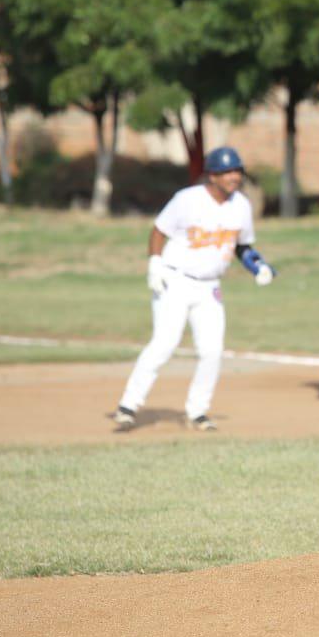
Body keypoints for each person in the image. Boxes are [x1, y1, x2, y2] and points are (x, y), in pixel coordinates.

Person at [111, 147, 275, 432]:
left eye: (237, 171)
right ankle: (128, 405)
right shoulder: (187, 200)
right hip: (175, 280)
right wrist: (155, 264)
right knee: (164, 343)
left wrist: (257, 266)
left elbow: (241, 245)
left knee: (212, 350)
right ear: (212, 176)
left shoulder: (241, 206)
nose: (234, 177)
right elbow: (159, 230)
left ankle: (197, 411)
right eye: (227, 172)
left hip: (209, 287)